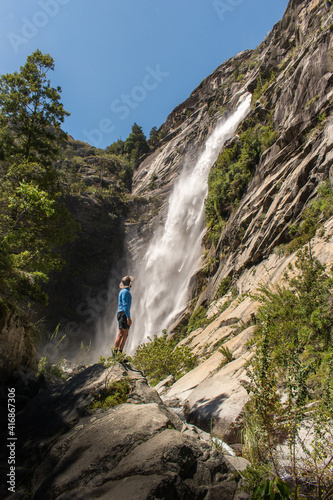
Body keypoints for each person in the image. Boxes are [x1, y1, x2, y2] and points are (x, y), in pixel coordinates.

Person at [114, 275, 134, 354]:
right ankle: (115, 354)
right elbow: (125, 305)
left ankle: (119, 353)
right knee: (121, 333)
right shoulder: (125, 292)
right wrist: (128, 317)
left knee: (125, 334)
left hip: (122, 313)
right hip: (123, 313)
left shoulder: (124, 291)